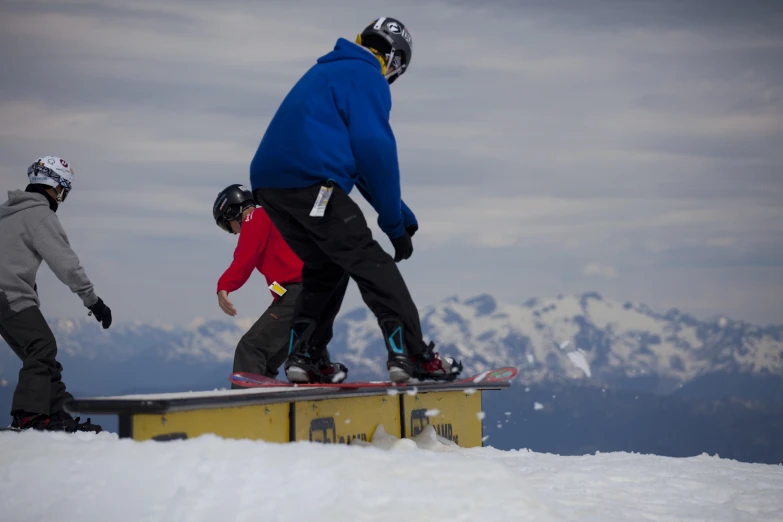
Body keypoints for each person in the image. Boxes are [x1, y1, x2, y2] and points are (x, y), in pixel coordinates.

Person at [249, 17, 463, 384]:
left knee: (325, 266)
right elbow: (375, 150)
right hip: (312, 182)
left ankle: (306, 356)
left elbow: (355, 163)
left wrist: (398, 213)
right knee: (370, 261)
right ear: (394, 61)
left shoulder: (329, 71)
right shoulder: (368, 77)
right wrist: (393, 225)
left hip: (271, 187)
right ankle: (411, 354)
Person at [0, 156, 110, 432]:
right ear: (56, 186)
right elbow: (66, 264)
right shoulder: (40, 215)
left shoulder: (7, 213)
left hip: (7, 297)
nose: (62, 197)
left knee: (39, 354)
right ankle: (29, 416)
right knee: (42, 347)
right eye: (64, 190)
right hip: (8, 296)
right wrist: (93, 301)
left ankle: (59, 414)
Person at [213, 184, 348, 384]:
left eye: (227, 225)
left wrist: (224, 286)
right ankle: (321, 370)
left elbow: (245, 257)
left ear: (234, 211)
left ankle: (247, 406)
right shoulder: (277, 218)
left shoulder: (255, 217)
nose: (232, 232)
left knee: (251, 348)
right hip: (318, 291)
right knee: (270, 358)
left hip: (300, 291)